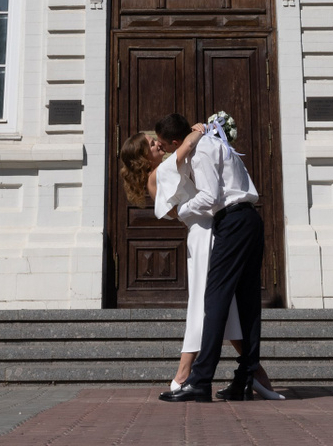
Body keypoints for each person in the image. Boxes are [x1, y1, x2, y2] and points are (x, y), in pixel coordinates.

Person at [116, 124, 280, 398]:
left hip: (212, 229)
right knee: (209, 305)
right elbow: (188, 147)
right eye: (151, 144)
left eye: (156, 141)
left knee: (221, 306)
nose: (158, 144)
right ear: (143, 157)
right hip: (205, 235)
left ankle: (246, 373)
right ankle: (202, 373)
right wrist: (202, 128)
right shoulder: (159, 173)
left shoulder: (167, 169)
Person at [155, 110, 271, 402]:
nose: (168, 152)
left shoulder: (202, 150)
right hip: (250, 220)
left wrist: (182, 211)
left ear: (175, 141)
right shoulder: (216, 142)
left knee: (215, 298)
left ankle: (200, 379)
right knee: (247, 303)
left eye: (166, 146)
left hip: (232, 222)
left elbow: (211, 196)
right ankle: (245, 378)